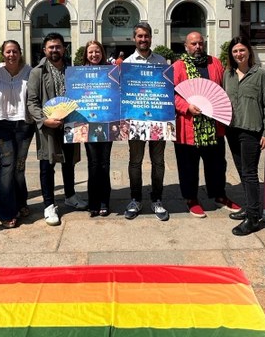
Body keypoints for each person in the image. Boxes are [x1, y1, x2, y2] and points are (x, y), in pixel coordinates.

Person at [173, 31, 240, 218]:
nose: (197, 47)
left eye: (200, 43)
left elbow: (223, 89)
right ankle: (191, 199)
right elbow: (172, 95)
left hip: (214, 126)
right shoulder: (178, 67)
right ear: (186, 46)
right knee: (188, 166)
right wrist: (186, 106)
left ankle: (219, 195)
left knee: (217, 165)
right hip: (188, 127)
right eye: (193, 44)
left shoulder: (215, 63)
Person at [26, 32, 85, 226]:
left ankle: (70, 195)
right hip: (48, 126)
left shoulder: (72, 71)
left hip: (70, 124)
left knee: (69, 162)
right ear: (44, 50)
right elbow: (32, 102)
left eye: (58, 46)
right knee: (47, 164)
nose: (54, 50)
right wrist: (44, 120)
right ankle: (49, 205)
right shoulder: (37, 72)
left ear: (64, 48)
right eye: (50, 47)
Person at [223, 36, 265, 236]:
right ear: (231, 54)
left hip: (251, 130)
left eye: (242, 50)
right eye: (235, 51)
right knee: (242, 171)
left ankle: (253, 218)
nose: (239, 54)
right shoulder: (227, 75)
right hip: (232, 129)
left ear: (249, 52)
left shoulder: (260, 75)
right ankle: (249, 207)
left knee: (250, 173)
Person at [122, 22, 169, 222]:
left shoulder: (162, 62)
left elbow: (167, 90)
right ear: (134, 38)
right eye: (140, 36)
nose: (143, 39)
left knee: (158, 162)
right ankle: (135, 199)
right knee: (135, 161)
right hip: (136, 121)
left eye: (146, 36)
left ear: (151, 38)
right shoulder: (127, 64)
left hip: (158, 119)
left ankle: (157, 199)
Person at [0, 40, 34, 229]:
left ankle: (21, 202)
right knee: (7, 167)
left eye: (15, 51)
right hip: (1, 124)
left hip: (24, 124)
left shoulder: (29, 72)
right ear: (2, 53)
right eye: (8, 52)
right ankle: (6, 212)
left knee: (19, 167)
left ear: (20, 53)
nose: (11, 55)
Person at [82, 40, 113, 217]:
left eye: (97, 52)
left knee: (104, 163)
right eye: (91, 52)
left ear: (102, 53)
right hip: (87, 124)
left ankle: (104, 201)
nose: (94, 55)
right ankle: (93, 202)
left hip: (107, 123)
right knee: (93, 163)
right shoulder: (79, 73)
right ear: (86, 54)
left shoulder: (110, 71)